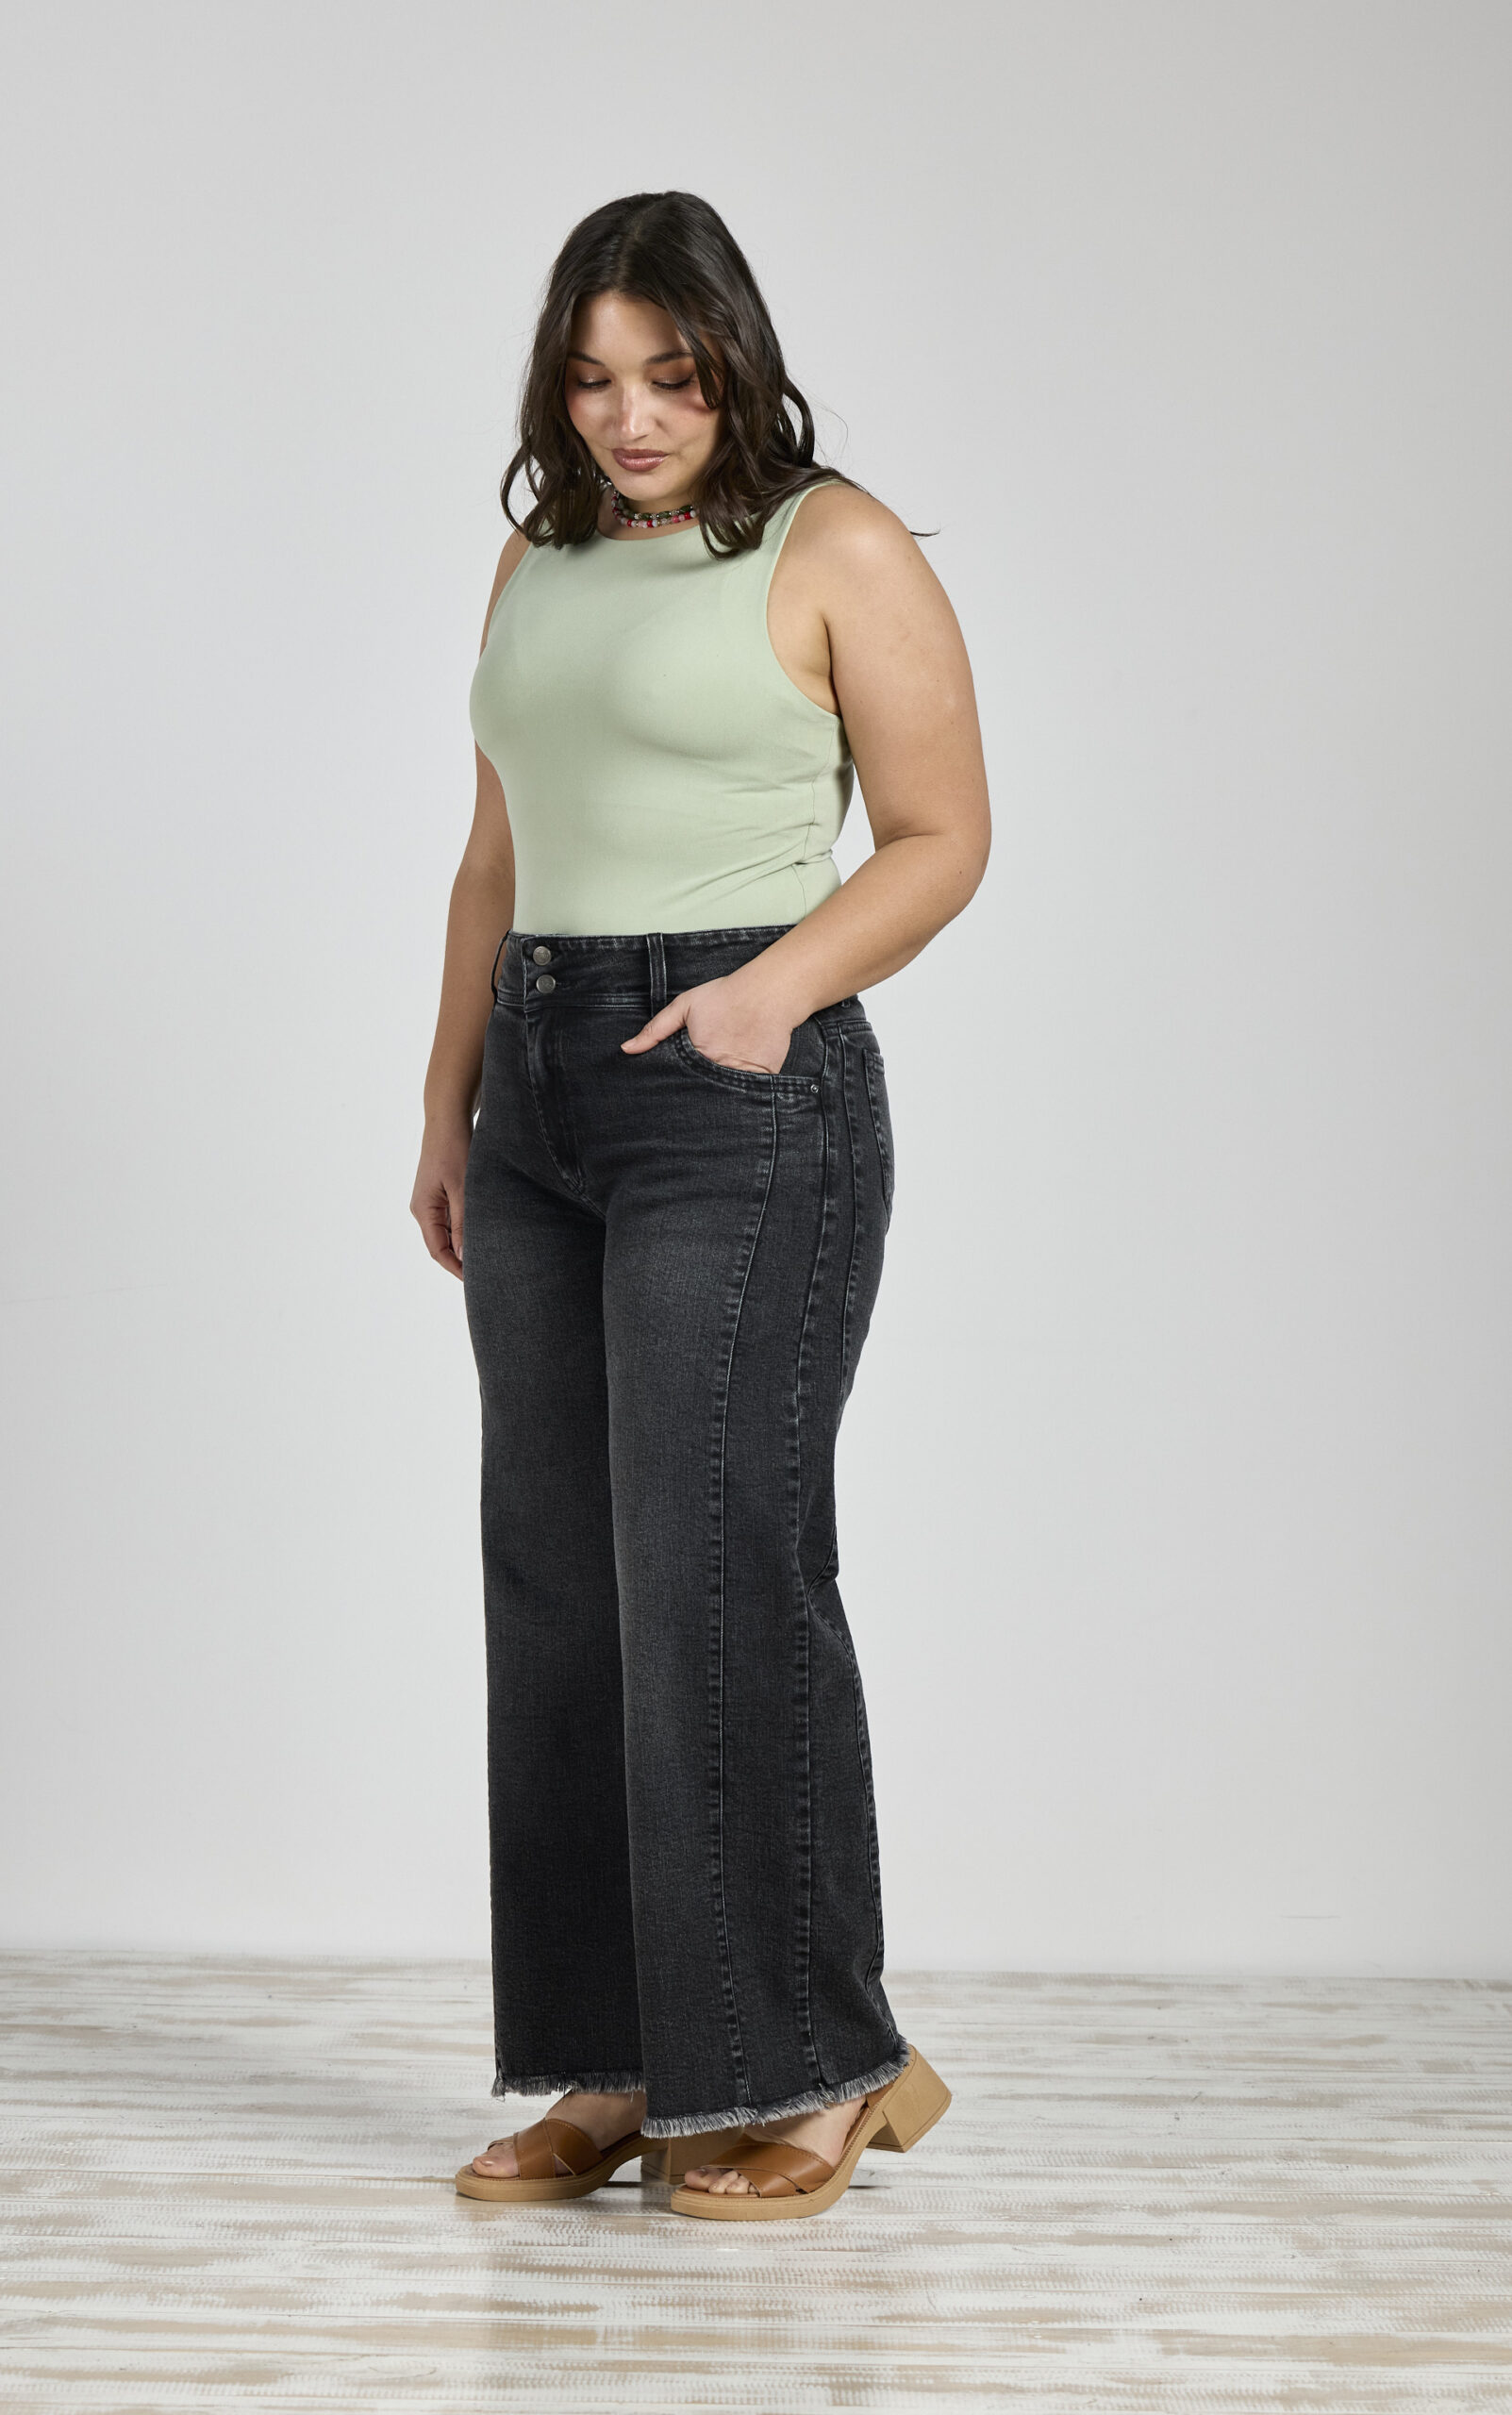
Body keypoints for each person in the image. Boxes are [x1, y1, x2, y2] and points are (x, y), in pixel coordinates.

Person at [410, 191, 990, 2221]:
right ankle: (623, 2060)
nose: (630, 416)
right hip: (539, 1091)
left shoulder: (836, 545)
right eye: (591, 381)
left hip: (738, 1088)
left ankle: (818, 2064)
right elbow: (495, 855)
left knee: (715, 1571)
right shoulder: (540, 557)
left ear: (734, 362)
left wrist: (763, 995)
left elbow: (939, 836)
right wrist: (446, 1098)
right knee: (562, 1587)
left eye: (669, 375)